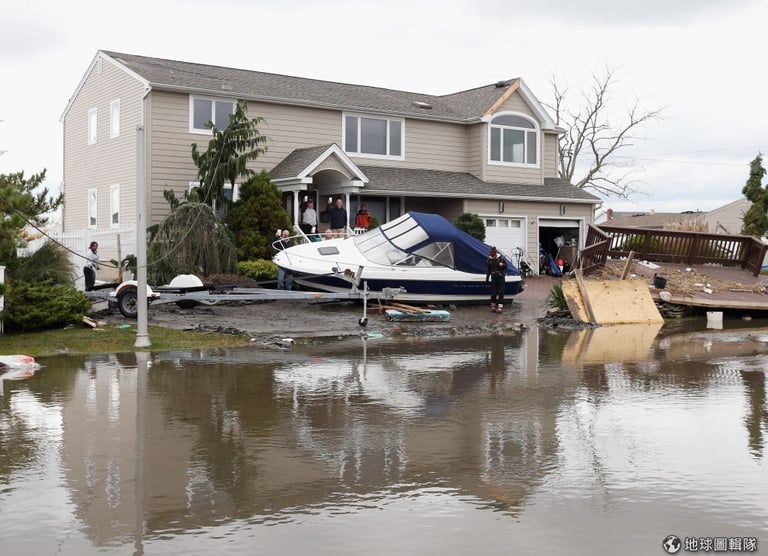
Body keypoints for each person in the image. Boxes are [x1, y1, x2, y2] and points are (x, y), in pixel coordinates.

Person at [485, 246, 507, 313]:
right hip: (493, 278)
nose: (493, 257)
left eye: (494, 256)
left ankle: (500, 307)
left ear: (496, 254)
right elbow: (488, 270)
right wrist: (487, 278)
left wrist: (502, 265)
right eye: (492, 256)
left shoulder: (501, 258)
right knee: (493, 293)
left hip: (501, 278)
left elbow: (506, 266)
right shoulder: (489, 259)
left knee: (501, 293)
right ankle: (493, 306)